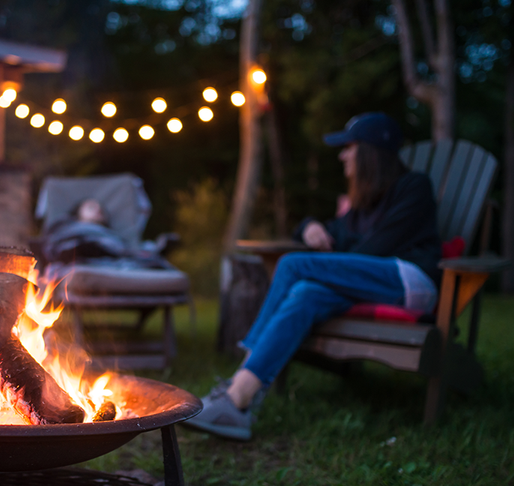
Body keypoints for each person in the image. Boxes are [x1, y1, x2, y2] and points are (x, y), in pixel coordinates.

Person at [185, 112, 442, 441]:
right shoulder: (361, 207)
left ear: (370, 151)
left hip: (409, 281)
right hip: (367, 284)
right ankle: (238, 407)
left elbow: (373, 251)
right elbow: (328, 234)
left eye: (348, 147)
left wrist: (331, 251)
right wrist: (311, 226)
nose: (342, 155)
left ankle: (239, 386)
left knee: (294, 265)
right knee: (306, 291)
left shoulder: (414, 187)